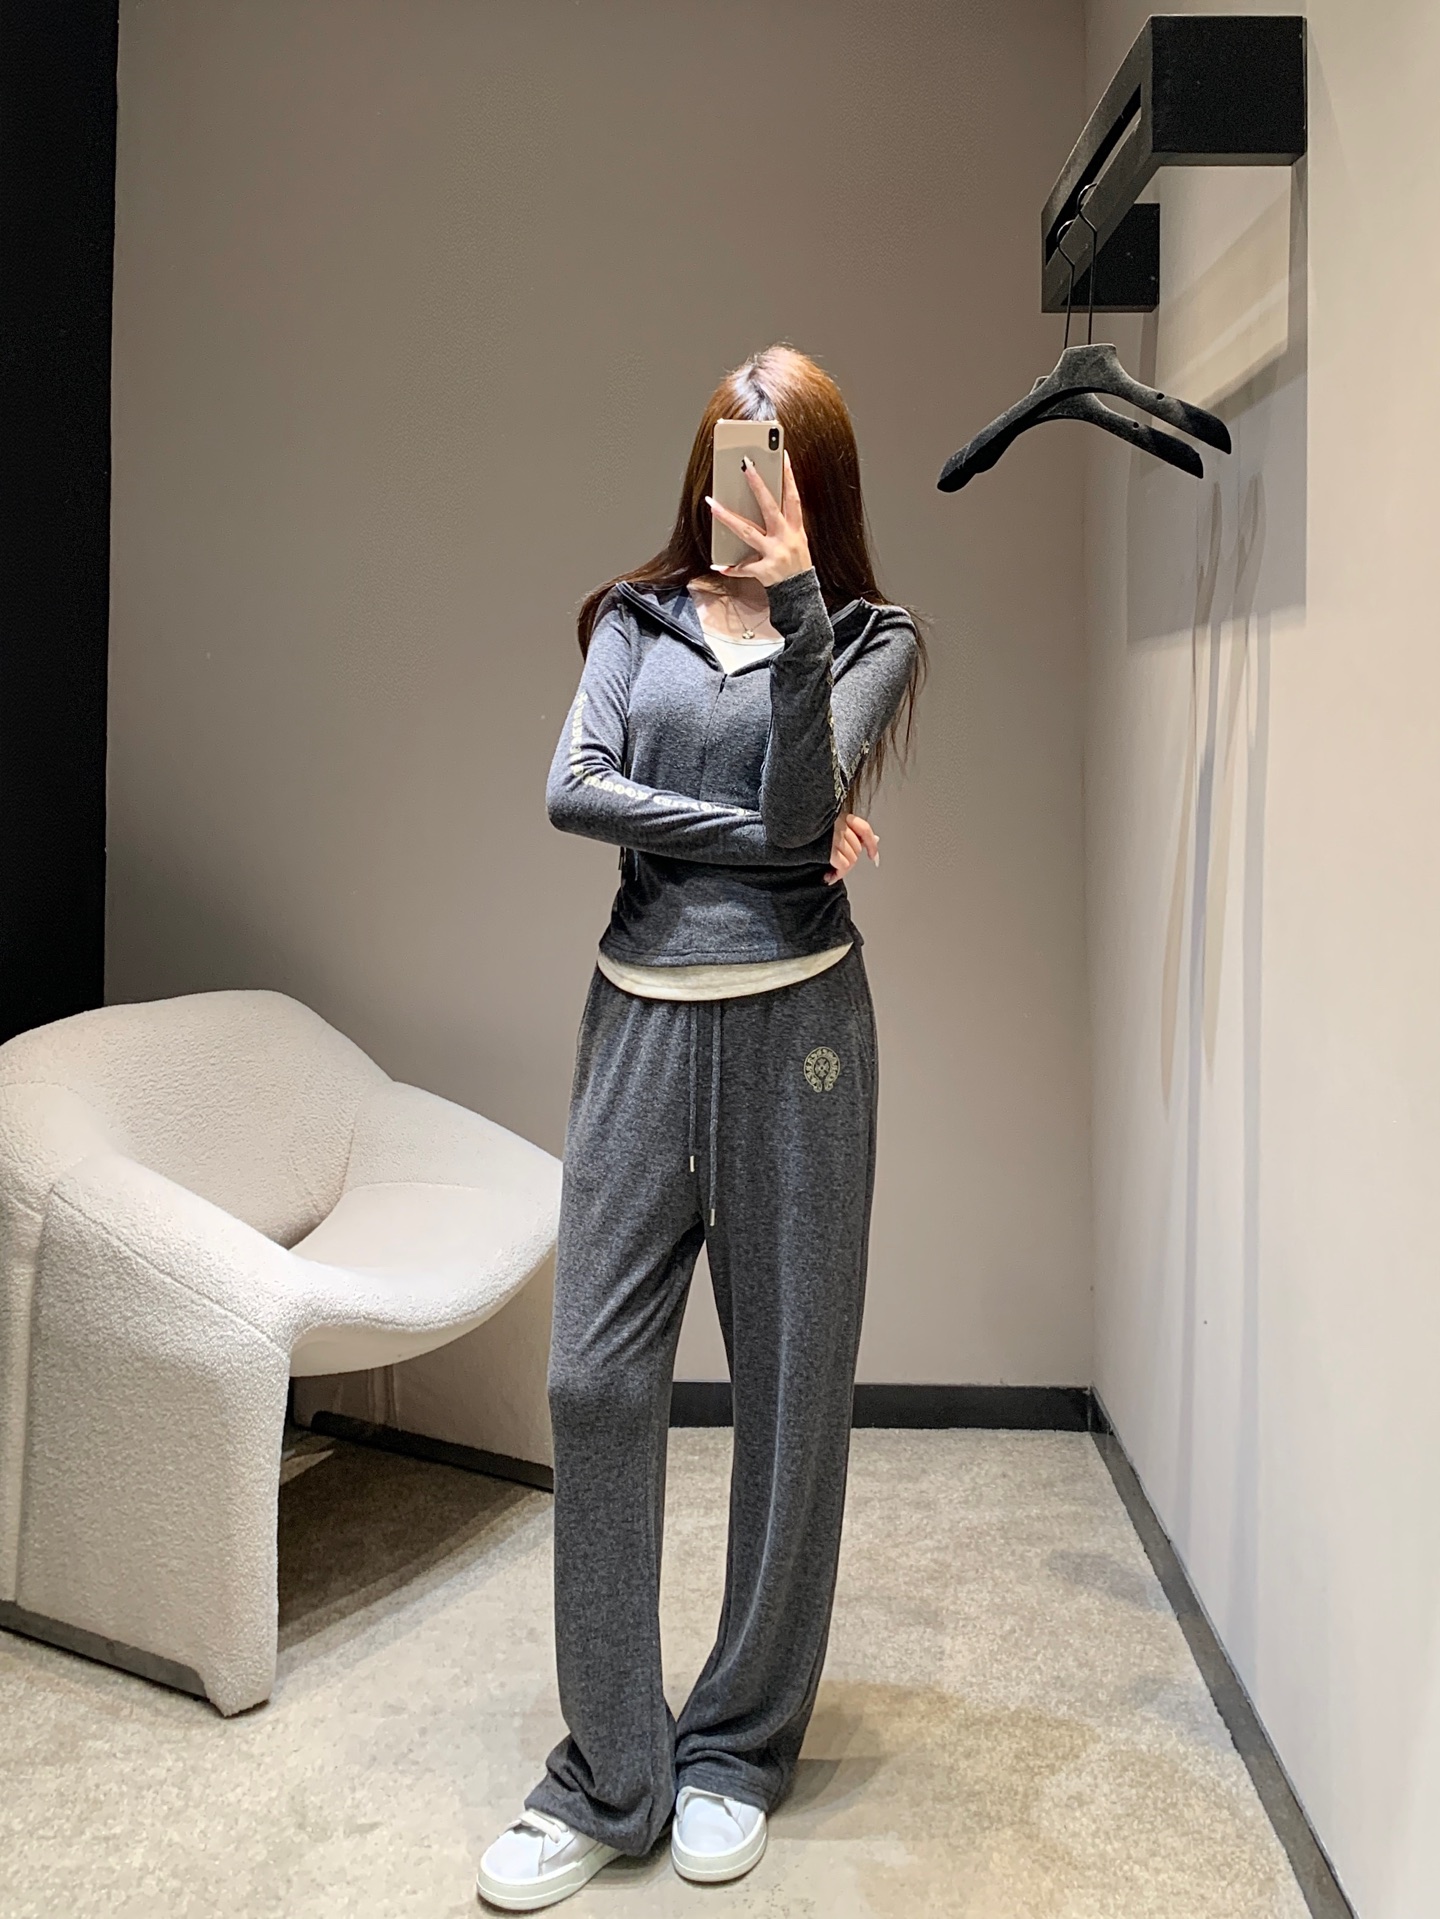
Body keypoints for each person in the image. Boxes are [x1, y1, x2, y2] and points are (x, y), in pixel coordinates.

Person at [477, 344, 925, 1910]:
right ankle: (611, 1774)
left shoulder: (867, 636)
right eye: (730, 450)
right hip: (640, 1026)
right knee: (594, 1382)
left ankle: (734, 1746)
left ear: (818, 478)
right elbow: (575, 789)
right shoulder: (634, 619)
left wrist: (798, 612)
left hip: (804, 1034)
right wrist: (764, 837)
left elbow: (811, 809)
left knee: (791, 1390)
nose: (745, 483)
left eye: (776, 456)